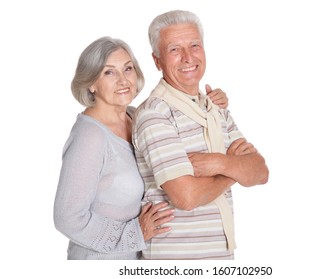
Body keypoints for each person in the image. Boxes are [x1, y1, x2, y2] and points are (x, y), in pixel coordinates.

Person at [53, 36, 230, 260]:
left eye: (127, 68)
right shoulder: (90, 137)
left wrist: (209, 105)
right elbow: (67, 218)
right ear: (91, 83)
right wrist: (135, 233)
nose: (123, 80)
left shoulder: (135, 117)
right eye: (109, 72)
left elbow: (176, 139)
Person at [132, 10, 269, 260]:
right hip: (175, 258)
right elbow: (186, 197)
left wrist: (220, 163)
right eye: (174, 49)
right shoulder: (155, 114)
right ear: (157, 61)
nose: (188, 57)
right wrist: (235, 171)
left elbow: (260, 173)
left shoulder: (215, 108)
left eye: (194, 45)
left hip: (219, 258)